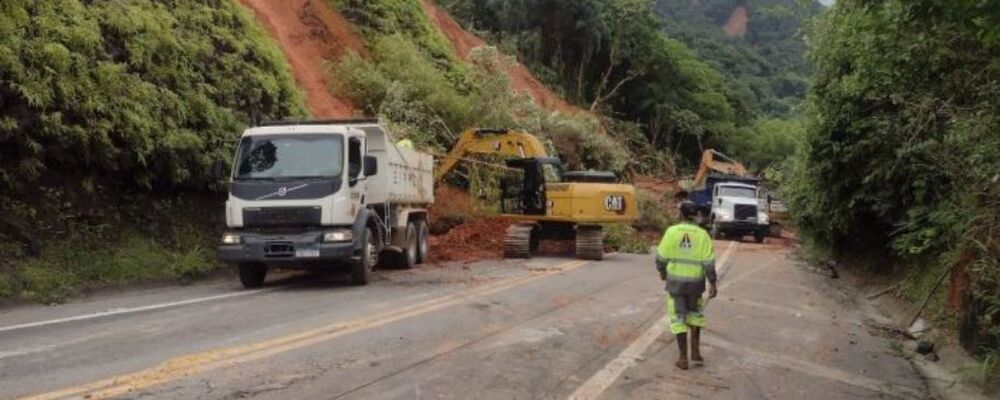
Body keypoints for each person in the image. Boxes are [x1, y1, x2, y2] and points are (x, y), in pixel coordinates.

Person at [655, 204, 718, 370]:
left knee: (678, 318)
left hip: (675, 284)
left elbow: (660, 258)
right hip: (695, 285)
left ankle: (683, 358)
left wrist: (662, 273)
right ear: (696, 215)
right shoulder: (703, 235)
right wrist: (713, 283)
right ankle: (695, 352)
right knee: (695, 315)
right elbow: (709, 263)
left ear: (680, 214)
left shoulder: (671, 232)